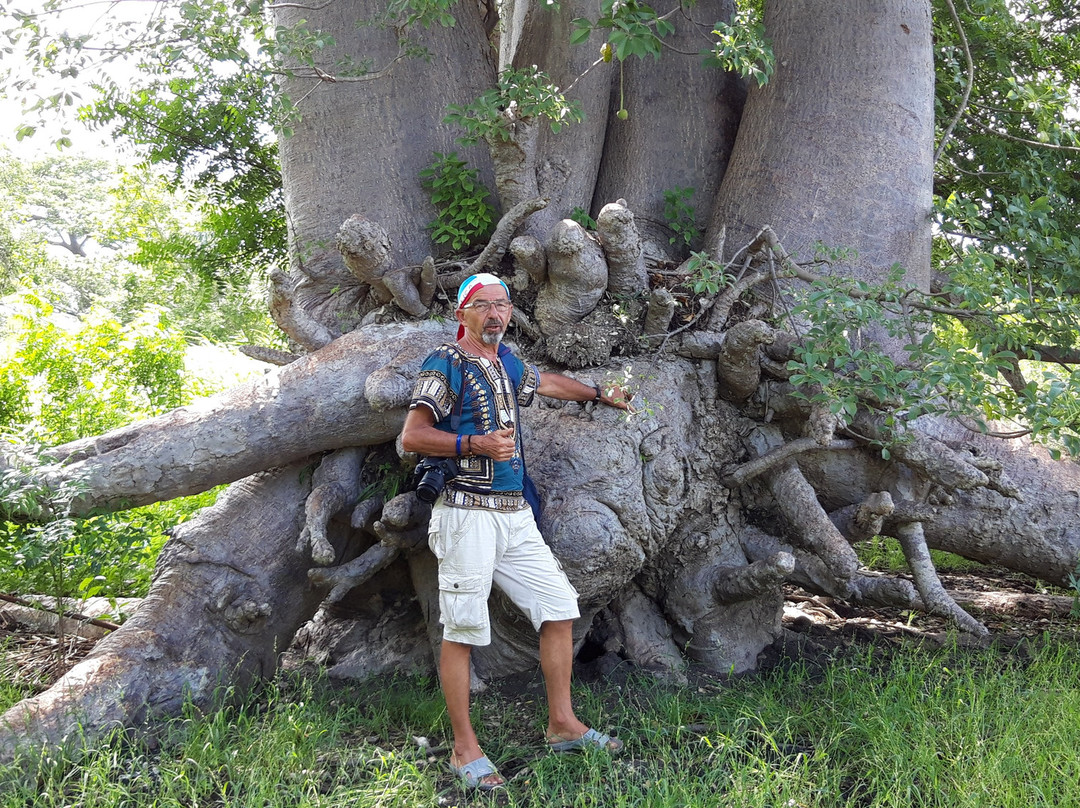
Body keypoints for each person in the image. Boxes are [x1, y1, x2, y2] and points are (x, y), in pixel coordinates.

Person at [401, 272, 632, 790]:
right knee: (462, 631)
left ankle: (563, 725)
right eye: (483, 305)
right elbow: (413, 434)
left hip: (514, 514)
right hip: (466, 513)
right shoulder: (445, 362)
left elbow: (546, 383)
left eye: (503, 305)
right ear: (463, 314)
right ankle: (465, 751)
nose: (496, 314)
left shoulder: (506, 361)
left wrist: (599, 393)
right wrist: (474, 446)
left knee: (558, 608)